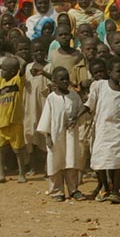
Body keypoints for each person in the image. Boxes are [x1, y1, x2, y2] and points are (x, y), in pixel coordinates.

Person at [87, 58, 120, 203]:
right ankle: (105, 186)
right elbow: (90, 103)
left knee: (118, 160)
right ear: (110, 72)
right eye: (118, 71)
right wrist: (76, 116)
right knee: (98, 159)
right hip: (103, 130)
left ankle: (116, 190)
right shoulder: (99, 86)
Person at [36, 67, 85, 201]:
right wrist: (47, 136)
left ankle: (73, 189)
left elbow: (80, 111)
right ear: (54, 81)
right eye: (61, 79)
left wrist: (75, 119)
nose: (65, 82)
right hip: (55, 136)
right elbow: (46, 119)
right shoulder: (51, 98)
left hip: (70, 135)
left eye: (66, 78)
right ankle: (57, 191)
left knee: (71, 161)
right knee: (55, 162)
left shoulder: (74, 96)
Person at [0, 56, 29, 183]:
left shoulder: (17, 81)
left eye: (5, 70)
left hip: (15, 122)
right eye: (2, 69)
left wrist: (14, 57)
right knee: (1, 149)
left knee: (18, 150)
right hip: (2, 122)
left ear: (13, 72)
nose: (2, 72)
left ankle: (22, 173)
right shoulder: (0, 82)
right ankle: (1, 174)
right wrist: (0, 65)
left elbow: (23, 64)